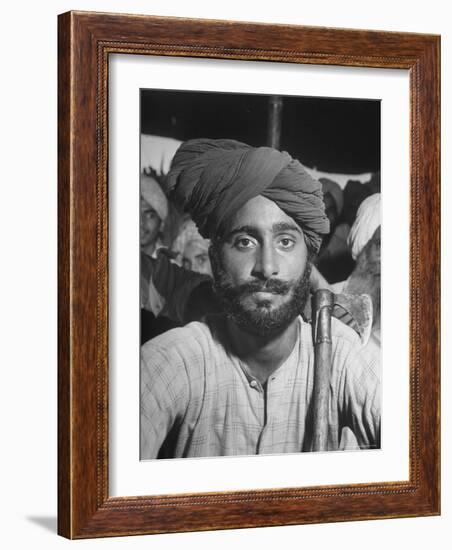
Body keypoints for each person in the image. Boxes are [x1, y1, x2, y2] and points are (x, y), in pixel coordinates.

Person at [140, 138, 380, 459]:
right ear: (215, 259)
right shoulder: (179, 359)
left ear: (308, 261)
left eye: (285, 242)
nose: (267, 267)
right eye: (244, 242)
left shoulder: (338, 353)